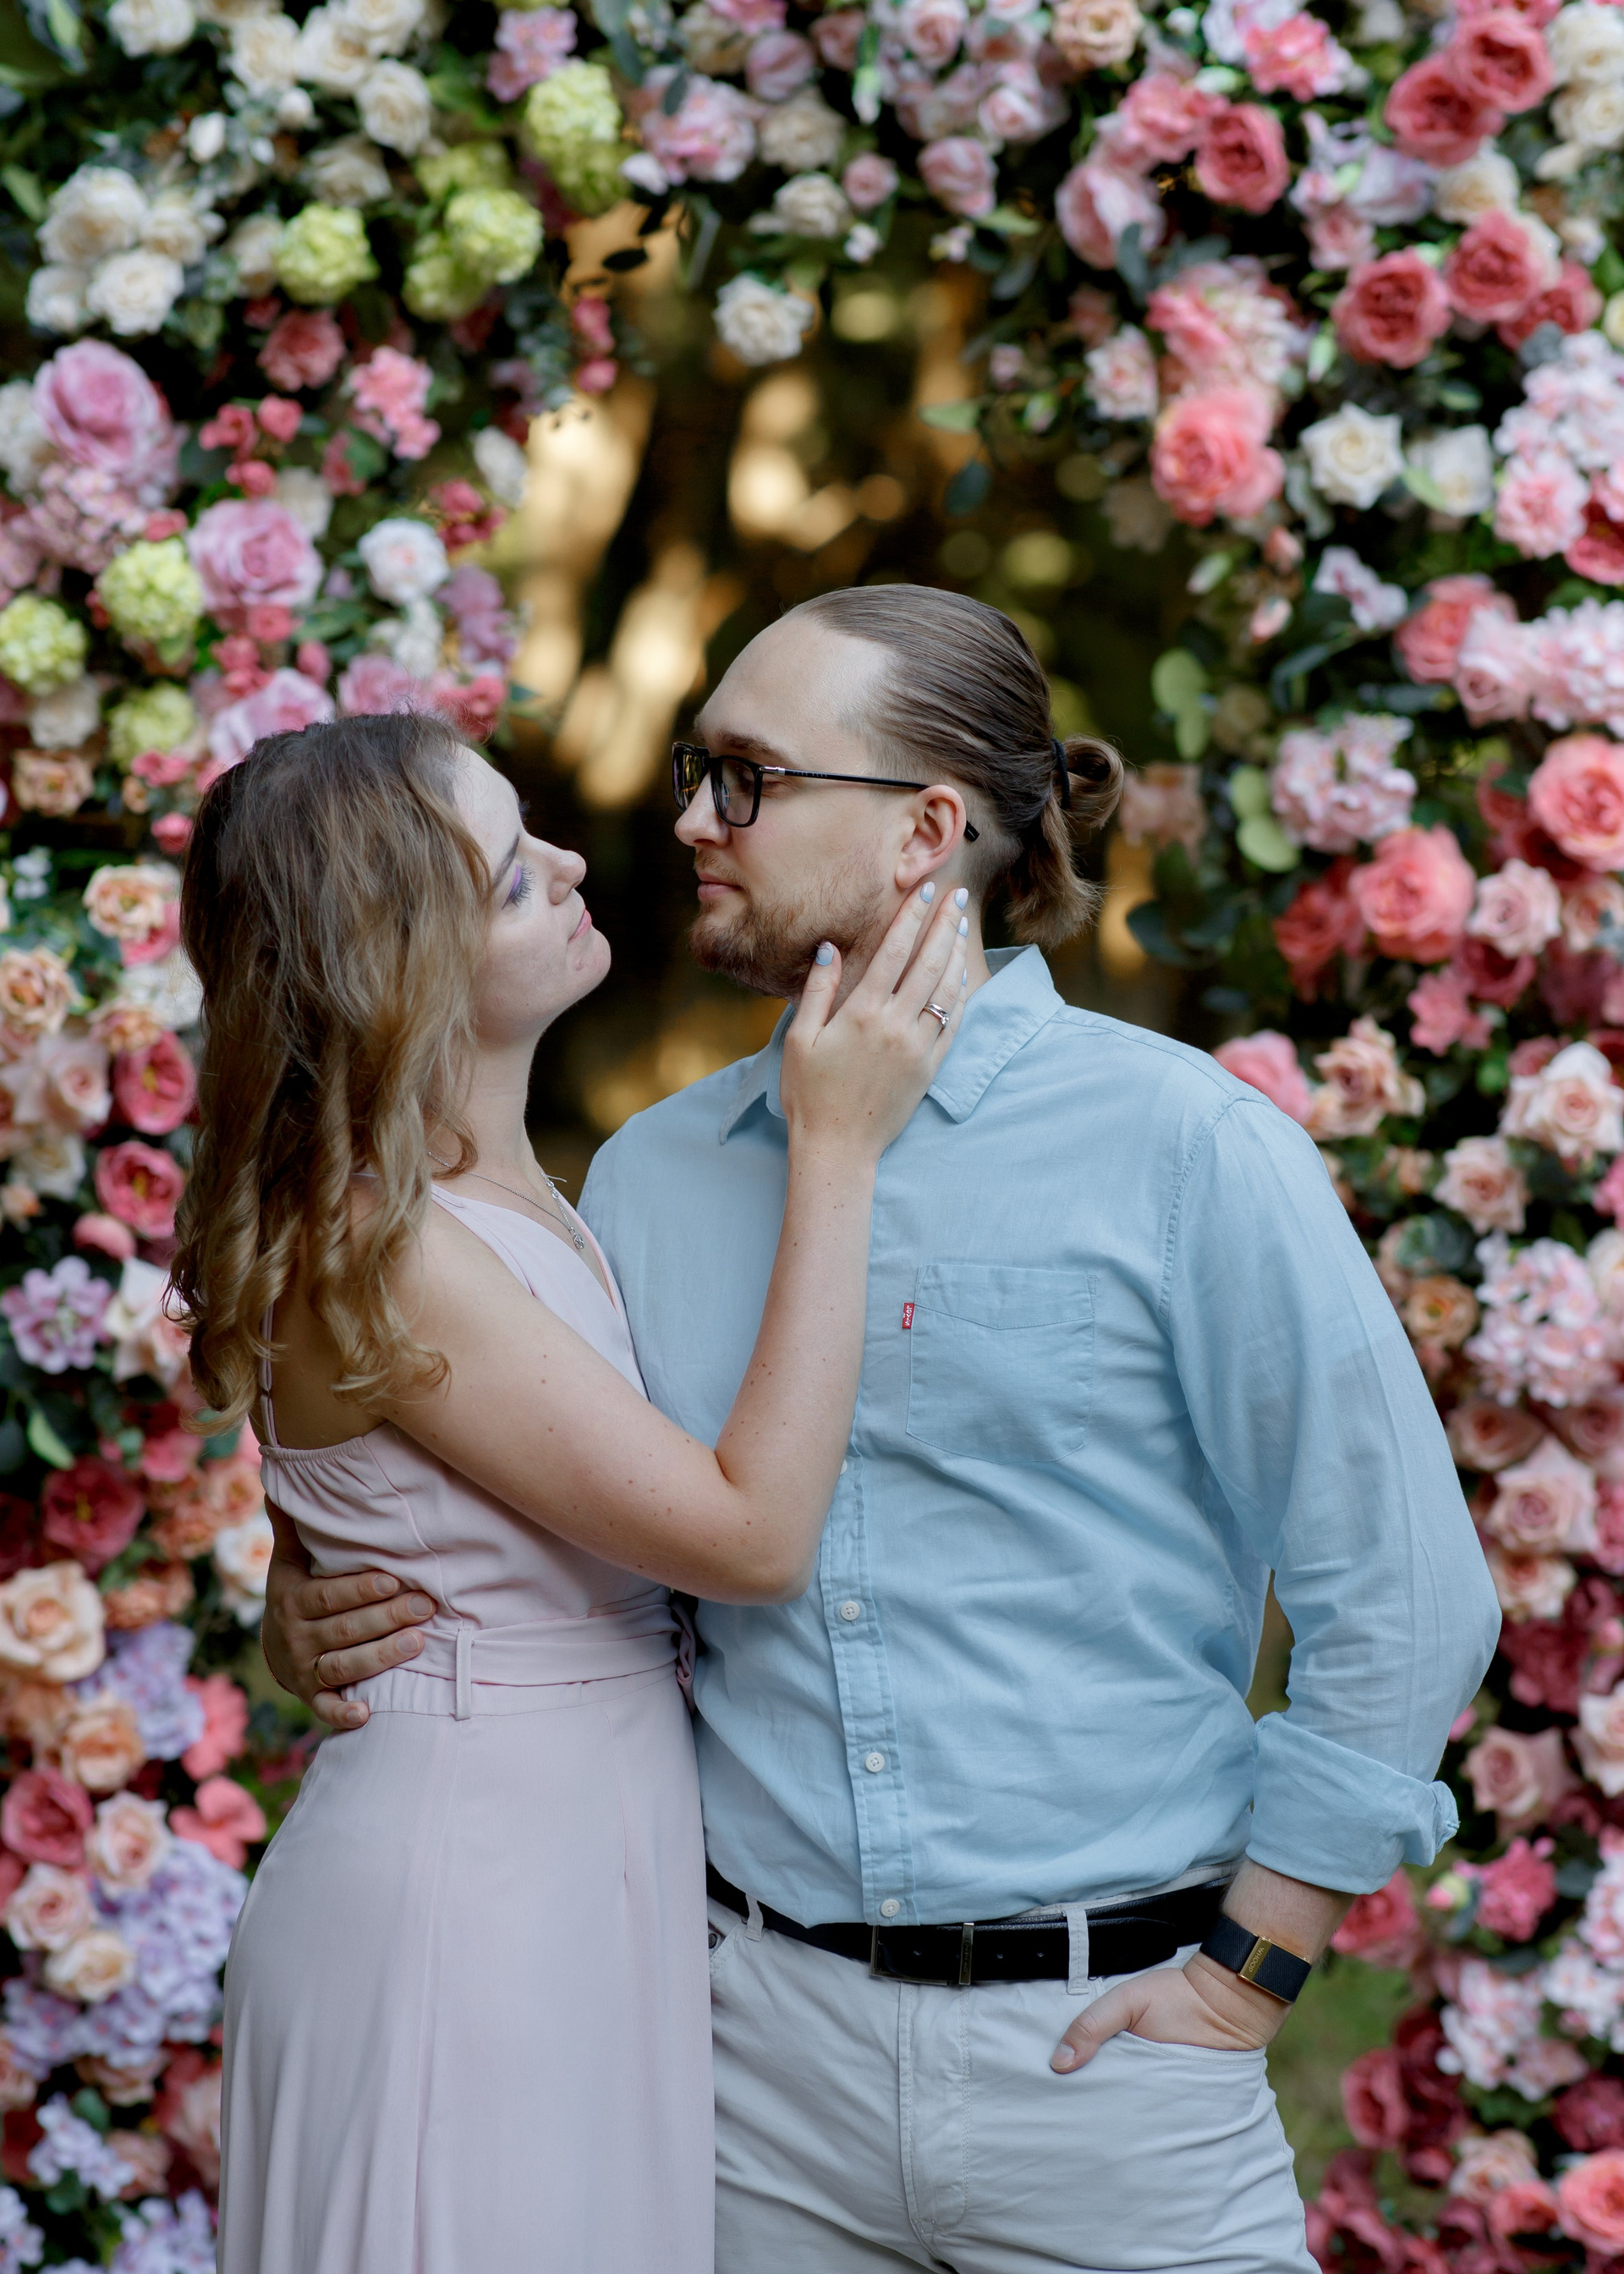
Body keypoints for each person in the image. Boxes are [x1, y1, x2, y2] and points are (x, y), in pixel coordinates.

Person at [265, 589, 1501, 2274]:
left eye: (751, 779)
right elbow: (551, 1506)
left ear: (927, 831)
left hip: (1109, 2061)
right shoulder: (648, 1177)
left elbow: (1409, 1593)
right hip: (744, 2074)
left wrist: (1251, 1971)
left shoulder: (1187, 1147)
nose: (691, 820)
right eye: (699, 771)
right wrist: (318, 1588)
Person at [174, 708, 970, 2274]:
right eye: (508, 876)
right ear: (398, 966)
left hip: (575, 1848)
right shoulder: (381, 1244)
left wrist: (301, 1583)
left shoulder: (495, 1191)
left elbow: (410, 1503)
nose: (570, 861)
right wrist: (838, 1149)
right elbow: (750, 1537)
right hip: (472, 1895)